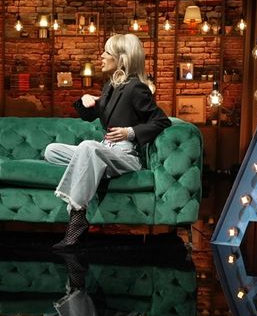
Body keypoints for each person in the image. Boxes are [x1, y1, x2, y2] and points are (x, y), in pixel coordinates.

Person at [44, 33, 170, 248]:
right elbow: (90, 114)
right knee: (51, 150)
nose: (101, 56)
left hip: (124, 155)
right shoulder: (111, 86)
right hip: (104, 151)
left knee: (87, 147)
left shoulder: (136, 88)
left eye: (107, 52)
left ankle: (77, 215)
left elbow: (161, 121)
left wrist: (130, 132)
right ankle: (92, 166)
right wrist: (85, 100)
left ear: (121, 59)